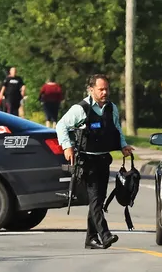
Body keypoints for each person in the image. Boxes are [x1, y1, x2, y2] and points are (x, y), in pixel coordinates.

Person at [56, 74, 133, 250]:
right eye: (101, 89)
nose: (105, 92)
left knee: (99, 199)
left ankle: (90, 238)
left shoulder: (111, 108)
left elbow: (117, 128)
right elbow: (61, 125)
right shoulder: (81, 109)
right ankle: (104, 235)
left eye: (106, 89)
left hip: (103, 159)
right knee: (95, 199)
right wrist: (67, 147)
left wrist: (123, 146)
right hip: (87, 161)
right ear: (91, 90)